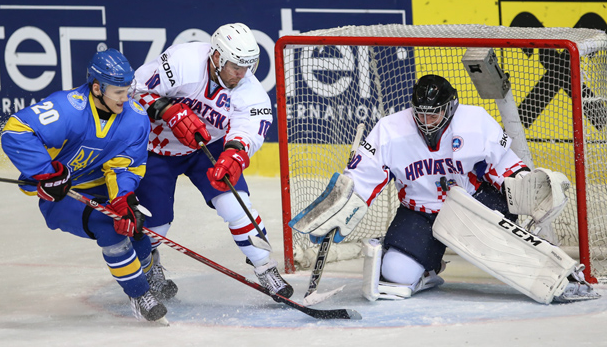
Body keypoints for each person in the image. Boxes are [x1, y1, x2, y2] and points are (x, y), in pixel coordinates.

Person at [292, 74, 599, 303]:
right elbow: (361, 178)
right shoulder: (390, 130)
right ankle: (427, 268)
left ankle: (561, 279)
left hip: (473, 207)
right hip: (420, 212)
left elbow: (507, 167)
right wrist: (342, 203)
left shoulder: (474, 122)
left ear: (450, 107)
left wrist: (526, 187)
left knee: (509, 259)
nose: (426, 120)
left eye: (433, 113)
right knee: (397, 275)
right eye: (421, 113)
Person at [0, 49, 174, 323]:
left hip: (102, 187)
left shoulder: (136, 118)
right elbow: (16, 131)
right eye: (118, 92)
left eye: (128, 89)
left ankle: (150, 270)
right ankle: (139, 295)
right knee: (111, 229)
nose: (125, 97)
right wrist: (46, 174)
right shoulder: (68, 108)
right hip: (63, 195)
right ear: (97, 87)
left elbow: (125, 166)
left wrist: (123, 198)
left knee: (135, 226)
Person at [131, 23, 293, 298]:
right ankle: (149, 264)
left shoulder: (250, 91)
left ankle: (265, 266)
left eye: (248, 67)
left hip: (207, 145)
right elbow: (132, 90)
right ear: (216, 57)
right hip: (156, 148)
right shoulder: (182, 62)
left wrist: (234, 154)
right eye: (235, 66)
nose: (242, 75)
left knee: (237, 207)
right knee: (154, 226)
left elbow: (247, 131)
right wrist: (167, 108)